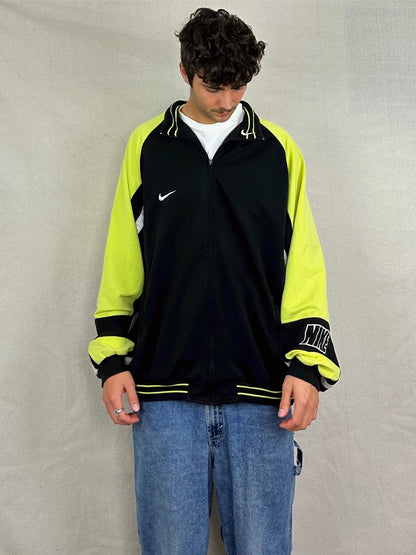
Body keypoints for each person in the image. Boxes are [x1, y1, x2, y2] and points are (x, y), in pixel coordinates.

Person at [88, 8, 340, 554]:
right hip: (163, 393)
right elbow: (124, 258)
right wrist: (111, 360)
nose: (227, 100)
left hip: (262, 392)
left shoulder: (277, 151)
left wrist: (307, 366)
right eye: (213, 86)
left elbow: (303, 263)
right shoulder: (148, 146)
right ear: (185, 71)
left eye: (239, 85)